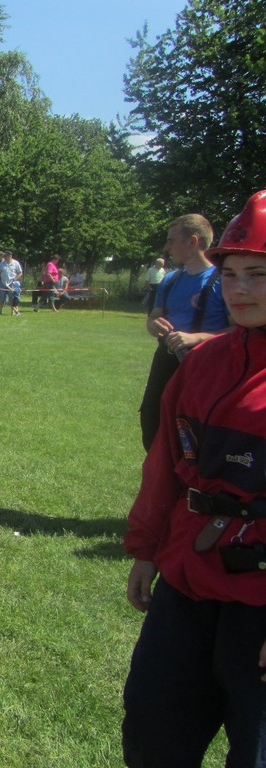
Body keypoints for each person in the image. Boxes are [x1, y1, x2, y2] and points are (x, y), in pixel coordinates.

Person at [121, 189, 266, 768]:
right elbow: (164, 467)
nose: (239, 289)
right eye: (230, 274)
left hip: (258, 600)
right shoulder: (203, 363)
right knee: (154, 729)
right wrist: (145, 548)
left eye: (257, 274)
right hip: (188, 577)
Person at [139, 214, 232, 451]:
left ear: (192, 241)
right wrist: (153, 324)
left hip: (205, 365)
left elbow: (238, 330)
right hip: (166, 360)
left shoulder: (223, 281)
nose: (166, 248)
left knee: (194, 426)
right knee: (152, 417)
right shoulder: (170, 280)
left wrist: (196, 338)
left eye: (171, 241)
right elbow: (153, 318)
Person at [0, 251, 23, 315]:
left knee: (12, 298)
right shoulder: (2, 264)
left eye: (6, 256)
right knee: (2, 298)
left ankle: (12, 312)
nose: (4, 257)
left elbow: (20, 273)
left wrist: (16, 278)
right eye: (4, 256)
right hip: (3, 283)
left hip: (12, 284)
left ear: (10, 256)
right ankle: (1, 311)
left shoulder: (16, 263)